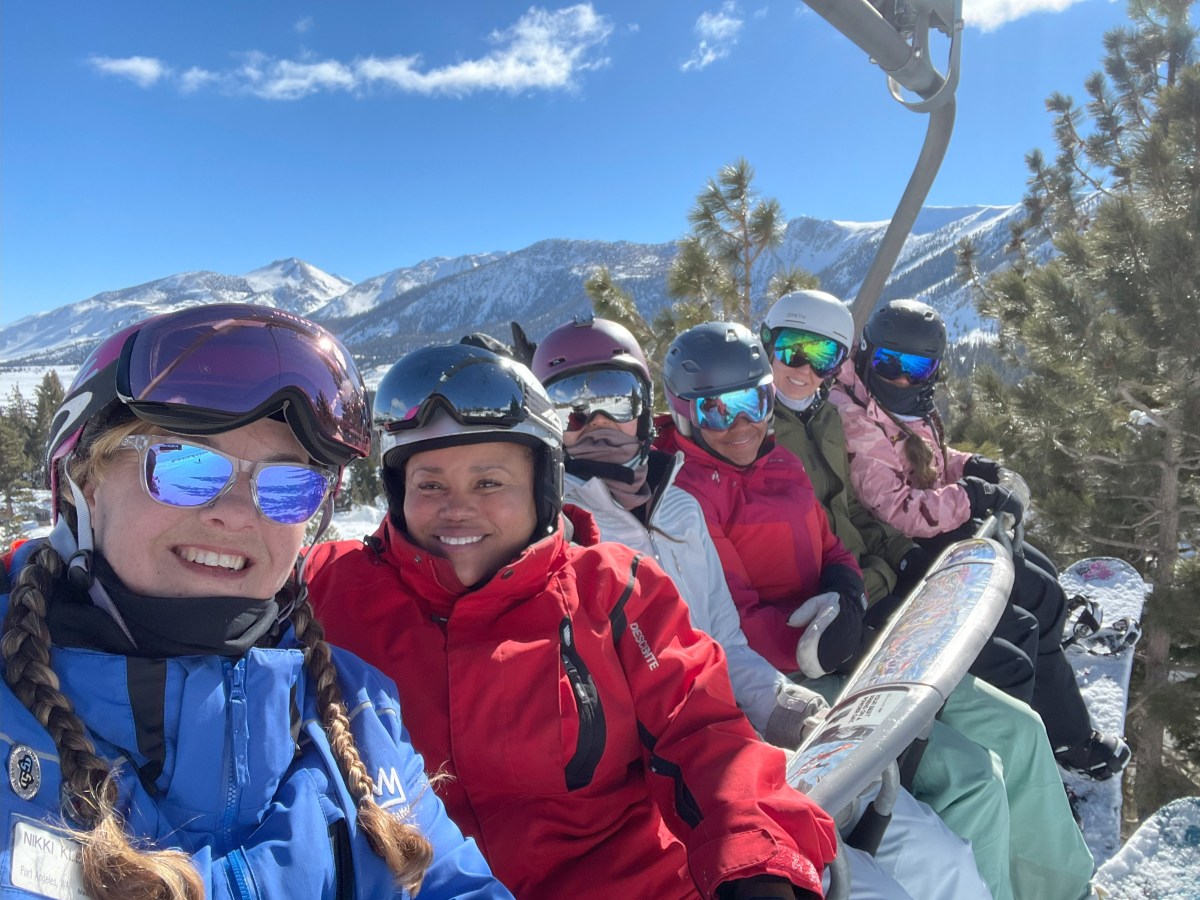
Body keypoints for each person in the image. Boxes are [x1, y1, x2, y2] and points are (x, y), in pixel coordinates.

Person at [0, 304, 510, 900]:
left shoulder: (356, 709)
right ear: (85, 482)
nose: (238, 515)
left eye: (286, 485)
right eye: (186, 465)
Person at [304, 342, 838, 899]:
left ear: (541, 488)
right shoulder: (332, 591)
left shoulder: (615, 593)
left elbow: (703, 735)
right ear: (397, 492)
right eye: (430, 485)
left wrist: (754, 861)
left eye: (490, 483)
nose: (456, 509)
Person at [529, 316, 992, 900]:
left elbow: (726, 641)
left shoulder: (677, 508)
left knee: (941, 859)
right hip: (688, 776)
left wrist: (790, 708)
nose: (597, 425)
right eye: (573, 406)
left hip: (746, 733)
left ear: (645, 408)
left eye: (615, 402)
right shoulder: (559, 535)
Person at [762, 289, 1097, 899]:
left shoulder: (827, 418)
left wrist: (970, 476)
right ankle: (1035, 797)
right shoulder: (796, 428)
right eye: (791, 349)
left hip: (877, 574)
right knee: (1003, 667)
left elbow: (885, 489)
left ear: (841, 358)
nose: (804, 367)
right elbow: (878, 508)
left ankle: (1055, 772)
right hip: (846, 612)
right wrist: (959, 506)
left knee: (1029, 621)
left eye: (822, 354)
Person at [828, 297, 1130, 782]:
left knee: (1045, 592)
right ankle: (1030, 764)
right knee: (1017, 630)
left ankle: (1066, 733)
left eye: (918, 368)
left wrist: (966, 465)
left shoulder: (896, 405)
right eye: (890, 364)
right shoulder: (855, 417)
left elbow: (924, 457)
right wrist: (970, 496)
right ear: (867, 357)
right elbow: (899, 508)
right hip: (903, 544)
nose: (903, 378)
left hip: (937, 527)